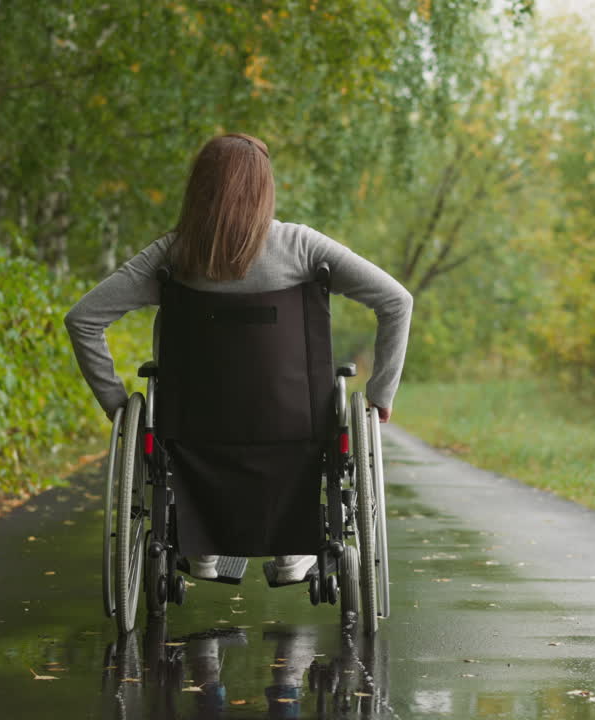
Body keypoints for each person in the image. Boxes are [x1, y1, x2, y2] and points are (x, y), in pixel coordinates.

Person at [64, 133, 412, 583]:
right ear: (264, 188)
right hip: (295, 427)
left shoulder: (173, 254)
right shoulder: (303, 247)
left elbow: (83, 319)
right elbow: (396, 301)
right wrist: (380, 393)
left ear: (200, 189)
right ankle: (292, 551)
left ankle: (201, 546)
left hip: (192, 429)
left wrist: (117, 405)